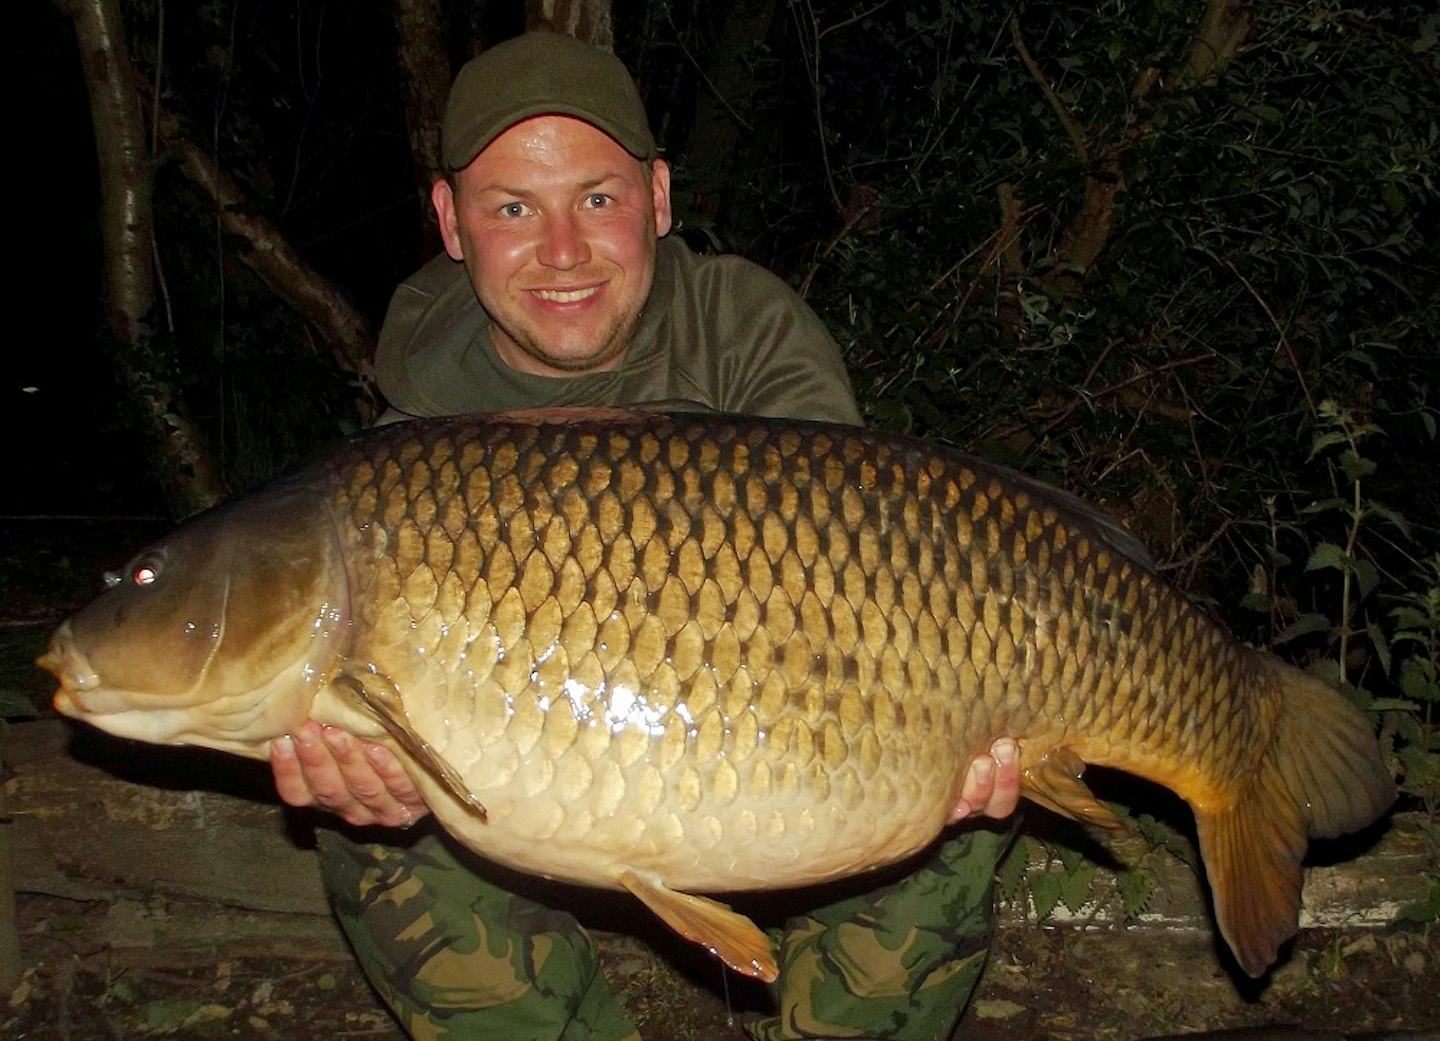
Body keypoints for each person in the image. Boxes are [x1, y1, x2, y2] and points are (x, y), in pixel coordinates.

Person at [269, 30, 1022, 1041]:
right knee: (362, 809)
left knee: (952, 804)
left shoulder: (748, 336)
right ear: (451, 222)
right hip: (540, 804)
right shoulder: (411, 449)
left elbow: (869, 586)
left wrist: (952, 734)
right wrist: (375, 782)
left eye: (598, 198)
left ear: (659, 200)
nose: (564, 251)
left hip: (781, 758)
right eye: (511, 209)